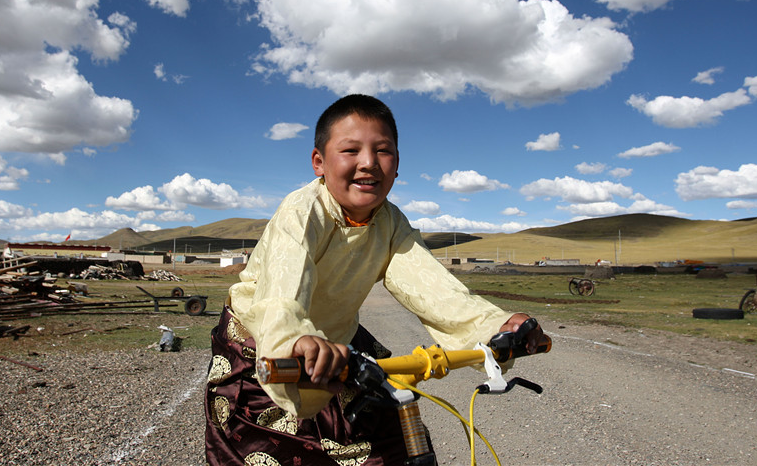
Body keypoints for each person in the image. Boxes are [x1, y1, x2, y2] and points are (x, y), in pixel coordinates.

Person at [205, 94, 544, 465]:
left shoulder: (391, 222)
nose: (368, 163)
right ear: (319, 162)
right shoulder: (301, 212)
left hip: (336, 344)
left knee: (393, 432)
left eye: (382, 151)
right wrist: (294, 339)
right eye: (350, 150)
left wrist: (495, 325)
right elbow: (283, 292)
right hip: (266, 345)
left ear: (397, 165)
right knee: (268, 452)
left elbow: (432, 286)